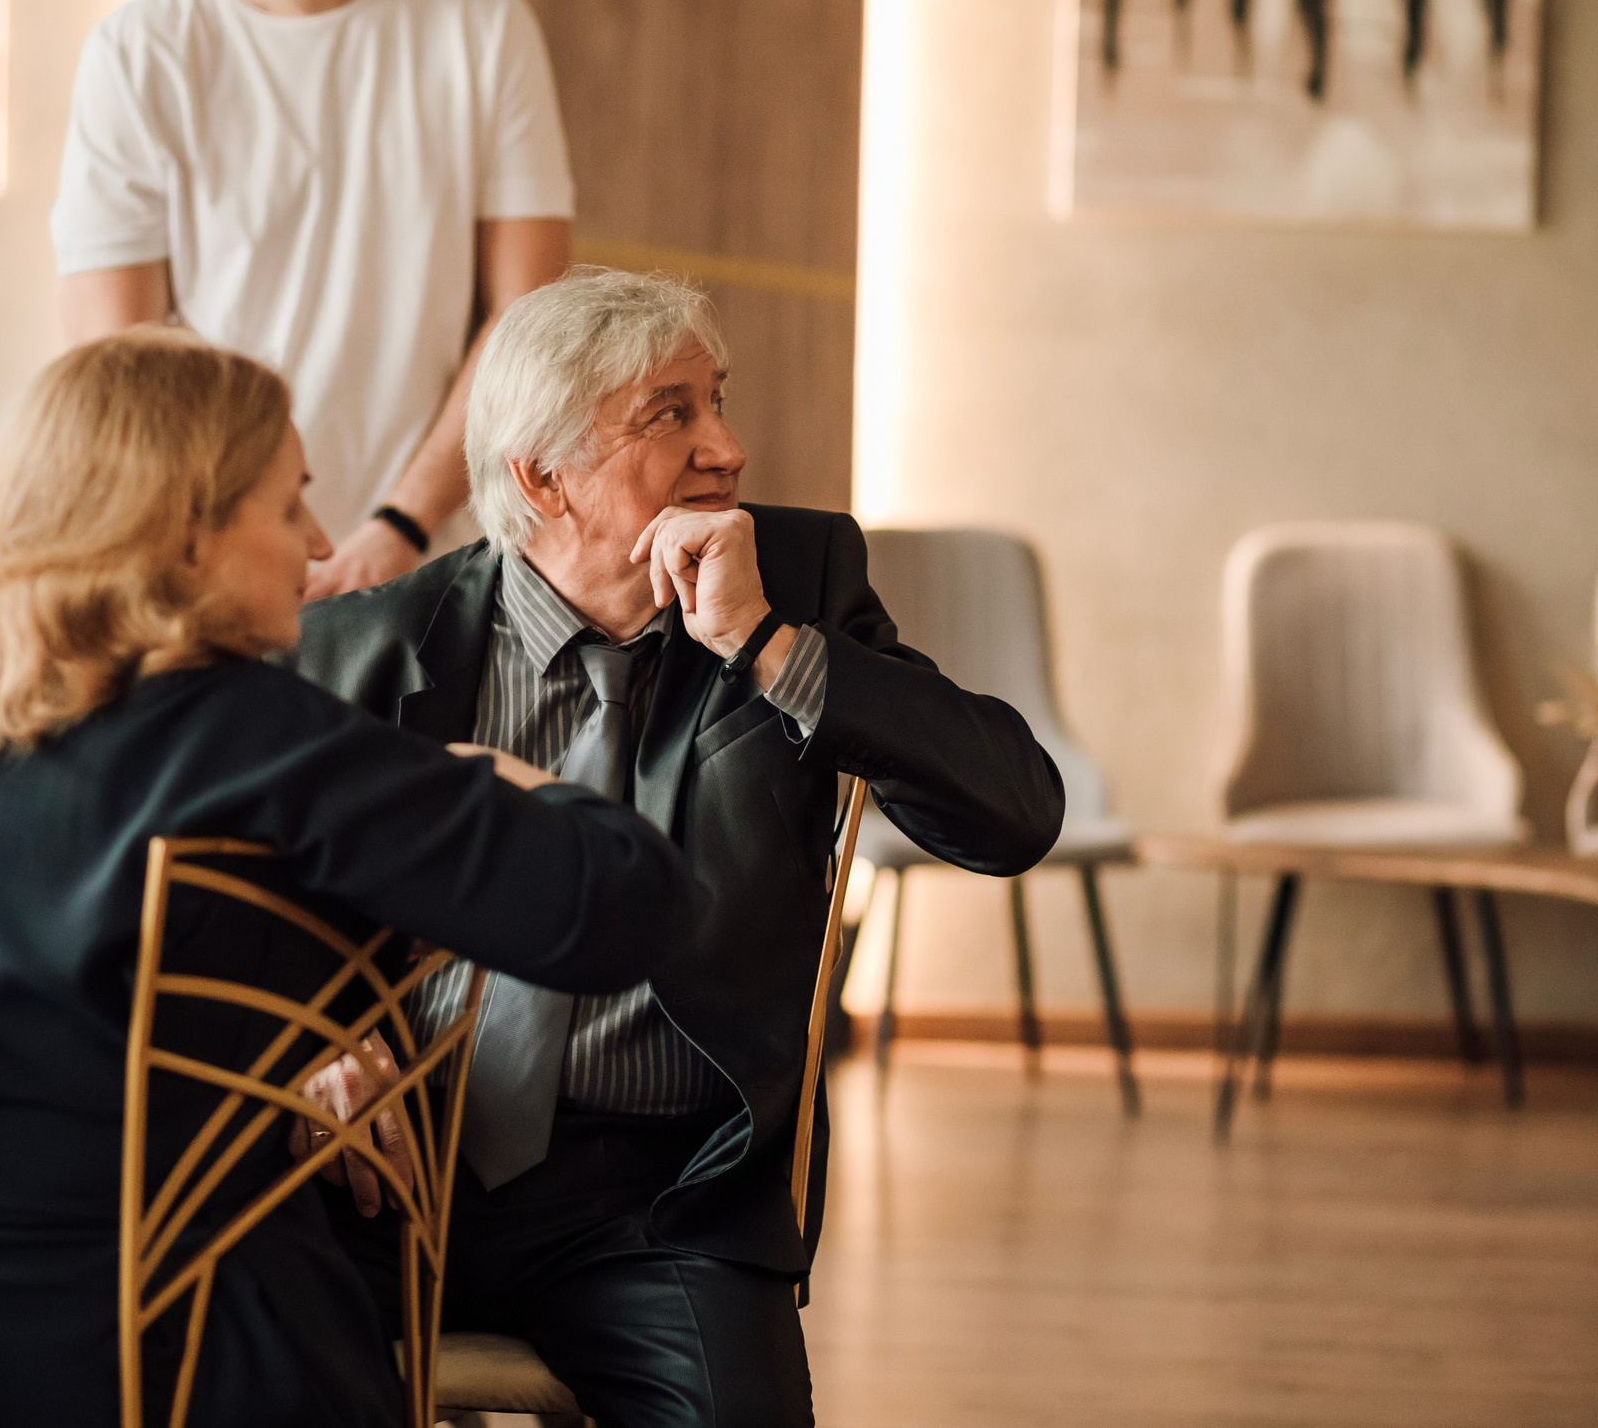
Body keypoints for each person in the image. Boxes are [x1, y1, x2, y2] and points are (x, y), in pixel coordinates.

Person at [0, 331, 705, 1428]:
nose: (315, 546)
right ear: (188, 535)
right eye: (288, 504)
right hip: (143, 1346)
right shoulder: (257, 735)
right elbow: (631, 902)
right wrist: (507, 779)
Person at [295, 270, 1067, 1427]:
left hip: (657, 1203)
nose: (729, 449)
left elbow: (1016, 812)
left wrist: (765, 647)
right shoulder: (356, 650)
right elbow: (222, 905)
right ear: (540, 475)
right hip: (376, 1172)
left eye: (717, 403)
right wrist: (304, 1045)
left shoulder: (796, 584)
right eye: (671, 414)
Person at [52, 0, 576, 599]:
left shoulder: (481, 22)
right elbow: (123, 366)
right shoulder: (138, 51)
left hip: (440, 572)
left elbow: (531, 316)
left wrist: (399, 526)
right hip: (212, 574)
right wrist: (254, 533)